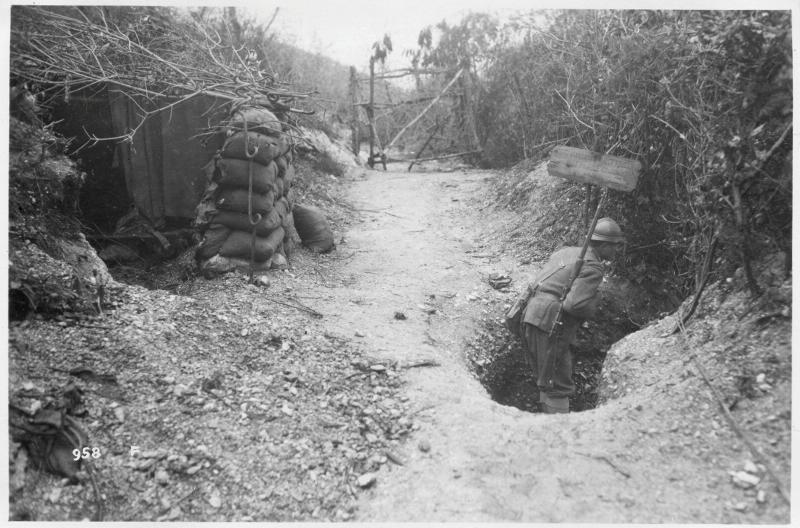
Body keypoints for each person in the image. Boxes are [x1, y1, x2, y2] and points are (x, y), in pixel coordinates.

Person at [520, 217, 624, 414]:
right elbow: (574, 305)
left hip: (530, 313)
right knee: (558, 381)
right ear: (602, 245)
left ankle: (547, 419)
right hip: (550, 322)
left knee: (545, 375)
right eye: (614, 246)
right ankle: (561, 429)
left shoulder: (565, 251)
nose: (616, 250)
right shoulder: (593, 266)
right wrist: (594, 303)